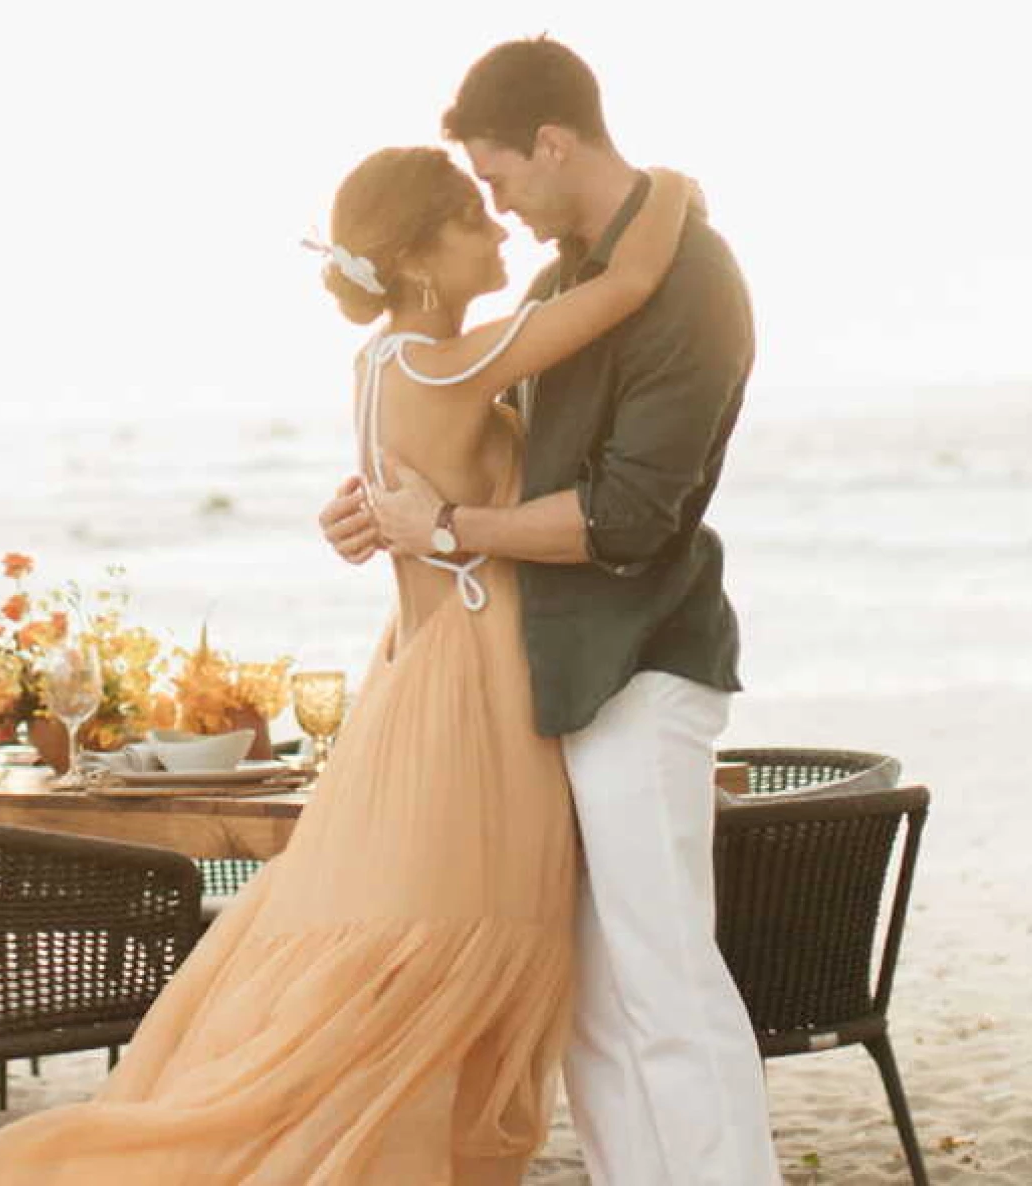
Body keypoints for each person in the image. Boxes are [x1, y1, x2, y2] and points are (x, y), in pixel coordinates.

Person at [0, 137, 694, 1183]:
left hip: (421, 670)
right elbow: (637, 279)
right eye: (472, 218)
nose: (495, 228)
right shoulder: (448, 356)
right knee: (460, 938)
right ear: (423, 253)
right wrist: (677, 187)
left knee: (425, 946)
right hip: (476, 684)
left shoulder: (377, 364)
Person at [329, 37, 782, 1186]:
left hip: (639, 662)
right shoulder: (561, 282)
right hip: (539, 673)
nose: (499, 209)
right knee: (588, 994)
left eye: (497, 181)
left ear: (551, 141)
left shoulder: (694, 281)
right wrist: (376, 507)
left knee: (663, 975)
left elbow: (626, 516)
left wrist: (441, 529)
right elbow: (486, 447)